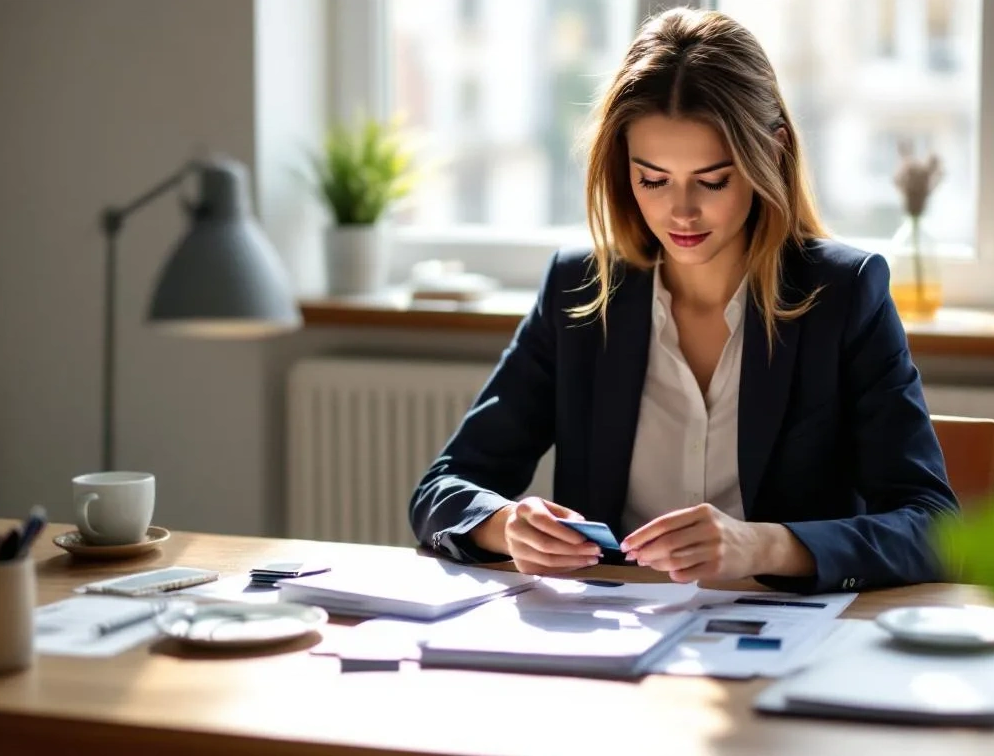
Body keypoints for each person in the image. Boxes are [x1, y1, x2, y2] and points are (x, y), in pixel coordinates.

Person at [410, 8, 958, 594]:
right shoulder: (578, 291)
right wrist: (506, 525)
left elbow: (931, 526)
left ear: (769, 155)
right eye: (653, 179)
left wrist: (766, 543)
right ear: (624, 167)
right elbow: (444, 488)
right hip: (613, 643)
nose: (682, 211)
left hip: (777, 640)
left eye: (713, 179)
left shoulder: (844, 295)